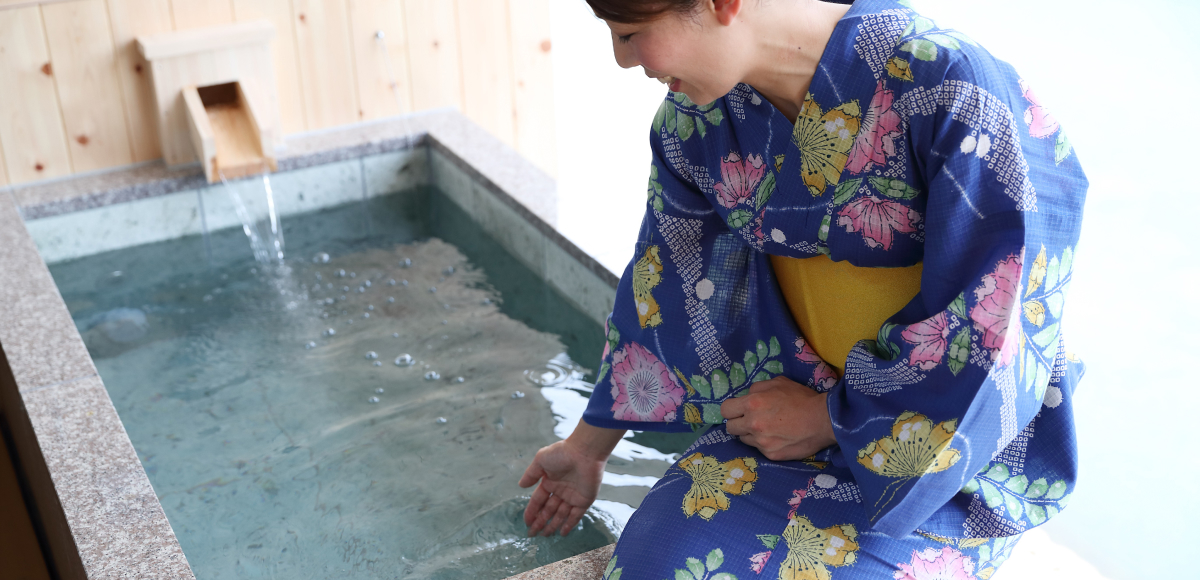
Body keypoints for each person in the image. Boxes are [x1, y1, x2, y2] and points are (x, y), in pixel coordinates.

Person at [519, 0, 1087, 577]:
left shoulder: (954, 88)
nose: (622, 60)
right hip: (785, 420)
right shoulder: (696, 121)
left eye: (631, 34)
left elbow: (997, 318)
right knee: (653, 565)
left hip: (944, 456)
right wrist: (587, 448)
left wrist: (830, 418)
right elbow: (666, 287)